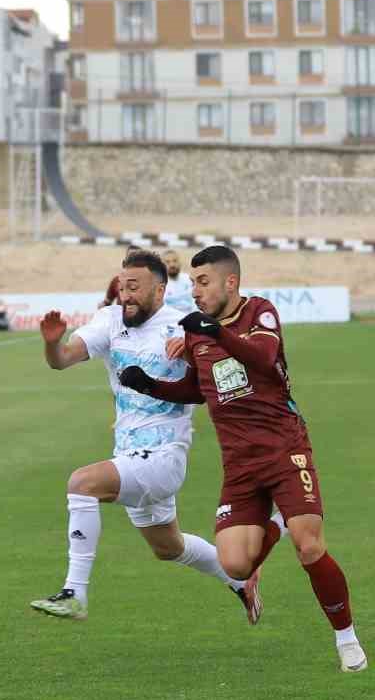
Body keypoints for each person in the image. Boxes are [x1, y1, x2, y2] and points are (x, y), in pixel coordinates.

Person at [118, 245, 367, 672]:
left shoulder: (259, 313)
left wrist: (213, 333)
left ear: (229, 282)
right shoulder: (198, 331)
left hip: (283, 449)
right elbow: (201, 389)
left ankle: (346, 638)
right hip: (239, 463)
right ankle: (278, 521)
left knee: (310, 546)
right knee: (235, 563)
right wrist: (150, 386)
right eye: (192, 283)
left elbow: (264, 358)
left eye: (203, 282)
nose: (195, 291)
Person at [29, 250, 254, 623]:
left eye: (134, 287)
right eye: (122, 286)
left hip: (164, 456)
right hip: (129, 455)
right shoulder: (110, 320)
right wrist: (53, 343)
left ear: (160, 291)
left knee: (81, 483)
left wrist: (196, 356)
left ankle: (74, 593)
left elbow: (222, 379)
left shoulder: (184, 326)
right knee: (169, 547)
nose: (126, 294)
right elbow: (62, 359)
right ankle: (240, 580)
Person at [159, 249, 195, 313]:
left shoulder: (189, 279)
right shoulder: (159, 284)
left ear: (179, 262)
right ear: (162, 265)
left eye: (175, 261)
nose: (172, 265)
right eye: (168, 262)